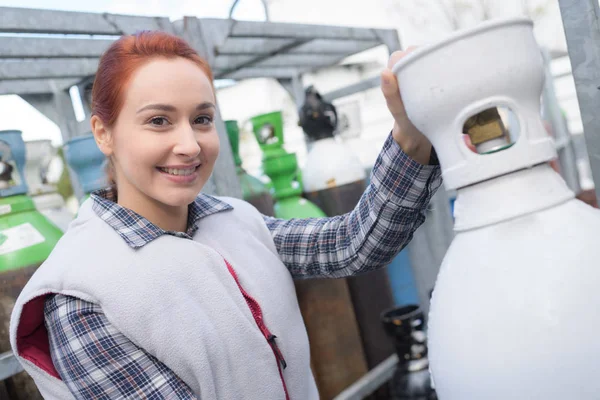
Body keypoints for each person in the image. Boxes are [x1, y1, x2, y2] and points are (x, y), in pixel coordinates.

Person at [10, 31, 441, 399]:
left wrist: (409, 137)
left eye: (201, 119)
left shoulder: (234, 220)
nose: (190, 145)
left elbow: (353, 244)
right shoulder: (80, 296)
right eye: (159, 121)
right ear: (103, 133)